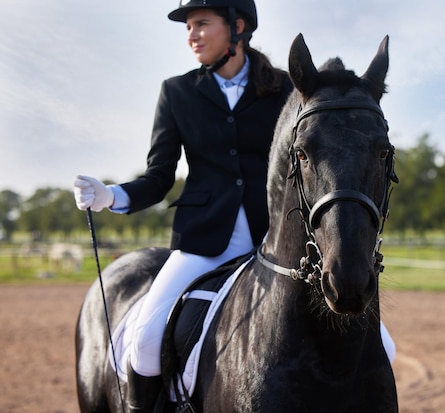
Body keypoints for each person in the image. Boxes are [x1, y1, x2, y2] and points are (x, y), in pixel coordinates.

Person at [74, 0, 292, 411]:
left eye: (201, 24)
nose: (191, 35)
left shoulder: (284, 89)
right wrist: (110, 195)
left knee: (377, 341)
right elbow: (159, 177)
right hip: (205, 242)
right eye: (188, 26)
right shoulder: (176, 92)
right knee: (145, 339)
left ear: (237, 27)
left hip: (276, 241)